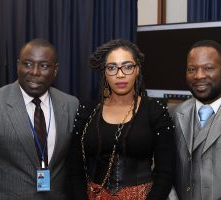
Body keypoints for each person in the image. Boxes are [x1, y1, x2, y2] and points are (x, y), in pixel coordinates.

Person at [0, 38, 79, 199]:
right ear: (18, 66)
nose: (35, 72)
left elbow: (74, 168)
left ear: (55, 70)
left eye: (44, 66)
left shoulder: (71, 105)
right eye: (28, 64)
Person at [68, 39, 175, 200]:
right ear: (105, 72)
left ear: (137, 69)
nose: (120, 74)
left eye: (127, 66)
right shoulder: (87, 112)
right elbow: (75, 171)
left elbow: (165, 172)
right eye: (112, 68)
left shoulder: (155, 111)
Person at [170, 40, 221, 200]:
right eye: (192, 69)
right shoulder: (174, 114)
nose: (199, 75)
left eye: (208, 68)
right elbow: (163, 172)